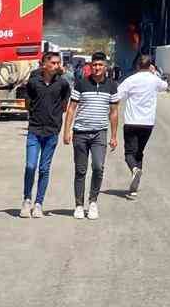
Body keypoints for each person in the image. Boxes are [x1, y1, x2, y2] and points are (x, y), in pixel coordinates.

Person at [64, 51, 119, 220]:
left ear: (105, 67)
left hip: (99, 134)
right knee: (80, 171)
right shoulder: (81, 84)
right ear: (90, 66)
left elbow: (114, 112)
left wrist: (114, 136)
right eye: (94, 65)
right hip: (80, 133)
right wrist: (67, 131)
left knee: (98, 167)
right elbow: (72, 108)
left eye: (100, 65)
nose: (97, 68)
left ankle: (93, 202)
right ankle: (79, 205)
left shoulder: (112, 86)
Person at [21, 51, 72, 218]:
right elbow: (27, 104)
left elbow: (65, 104)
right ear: (45, 65)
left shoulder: (63, 84)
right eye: (54, 63)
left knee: (44, 169)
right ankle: (26, 200)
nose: (58, 66)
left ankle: (38, 204)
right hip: (34, 130)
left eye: (58, 63)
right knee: (30, 166)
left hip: (51, 132)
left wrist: (56, 119)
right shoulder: (33, 83)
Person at [116, 54, 168, 199]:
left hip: (132, 121)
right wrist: (155, 72)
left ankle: (134, 170)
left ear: (137, 66)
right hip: (147, 123)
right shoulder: (154, 79)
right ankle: (134, 185)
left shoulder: (131, 80)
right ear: (150, 66)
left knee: (129, 154)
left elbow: (118, 96)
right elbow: (165, 86)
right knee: (139, 152)